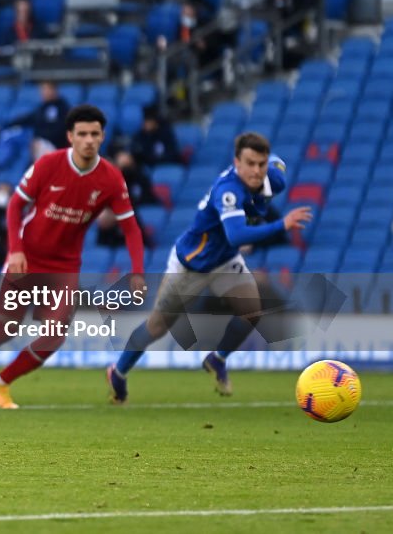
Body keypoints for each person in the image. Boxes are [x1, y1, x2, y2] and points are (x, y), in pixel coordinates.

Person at [0, 105, 146, 409]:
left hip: (64, 266)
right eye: (82, 134)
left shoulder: (111, 179)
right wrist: (16, 250)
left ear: (102, 137)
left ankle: (0, 383)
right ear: (70, 137)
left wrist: (138, 271)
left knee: (53, 337)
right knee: (5, 329)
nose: (89, 140)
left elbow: (131, 228)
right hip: (28, 256)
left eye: (95, 134)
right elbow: (14, 207)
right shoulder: (49, 164)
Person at [106, 133, 312, 403]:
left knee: (252, 311)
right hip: (191, 265)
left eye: (261, 164)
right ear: (236, 162)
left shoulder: (273, 178)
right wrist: (281, 225)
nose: (256, 170)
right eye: (249, 163)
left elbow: (277, 166)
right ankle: (118, 373)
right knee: (157, 326)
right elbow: (237, 235)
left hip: (225, 260)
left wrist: (271, 166)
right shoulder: (228, 191)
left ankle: (217, 359)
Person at [0, 81, 70, 160]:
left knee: (36, 144)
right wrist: (3, 126)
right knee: (12, 136)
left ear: (54, 90)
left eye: (46, 89)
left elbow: (60, 129)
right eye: (42, 90)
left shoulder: (62, 108)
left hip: (55, 147)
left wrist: (41, 138)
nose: (43, 93)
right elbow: (26, 119)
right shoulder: (42, 108)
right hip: (40, 145)